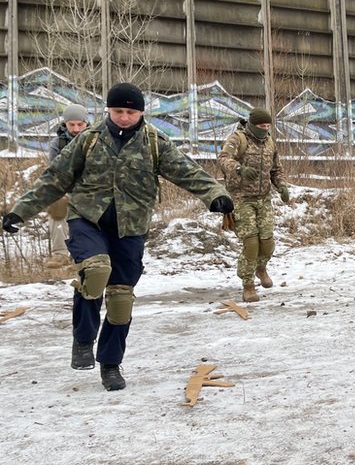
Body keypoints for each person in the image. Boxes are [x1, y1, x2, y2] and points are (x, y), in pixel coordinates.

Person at [1, 82, 233, 392]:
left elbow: (187, 171)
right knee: (96, 272)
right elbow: (55, 178)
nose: (124, 117)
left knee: (121, 299)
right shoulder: (88, 140)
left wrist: (215, 194)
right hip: (88, 219)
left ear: (140, 113)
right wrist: (20, 211)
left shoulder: (155, 143)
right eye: (118, 111)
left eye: (131, 112)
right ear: (108, 110)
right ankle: (83, 338)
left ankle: (110, 364)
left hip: (131, 226)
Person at [218, 107, 288, 303]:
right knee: (251, 243)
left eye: (268, 126)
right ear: (252, 125)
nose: (265, 129)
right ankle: (248, 284)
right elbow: (223, 159)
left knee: (268, 242)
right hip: (241, 198)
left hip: (263, 198)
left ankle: (261, 268)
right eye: (261, 126)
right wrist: (240, 169)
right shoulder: (238, 139)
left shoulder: (270, 142)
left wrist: (281, 186)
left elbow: (276, 169)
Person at [44, 104, 90, 268]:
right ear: (65, 124)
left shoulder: (98, 139)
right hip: (67, 188)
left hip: (92, 189)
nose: (76, 129)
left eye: (80, 124)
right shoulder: (58, 143)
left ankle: (89, 255)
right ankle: (60, 254)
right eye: (72, 124)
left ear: (86, 123)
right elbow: (55, 171)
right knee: (58, 207)